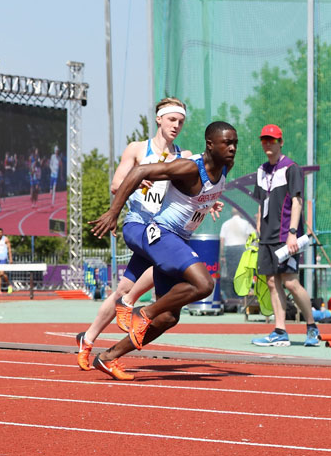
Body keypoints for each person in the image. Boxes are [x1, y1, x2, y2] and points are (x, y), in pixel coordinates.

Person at [89, 121, 236, 381]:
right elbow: (139, 172)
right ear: (210, 145)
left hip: (179, 241)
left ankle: (108, 357)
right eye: (227, 143)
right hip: (162, 235)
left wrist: (208, 205)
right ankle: (143, 312)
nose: (233, 148)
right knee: (204, 284)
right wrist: (113, 212)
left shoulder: (225, 167)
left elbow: (202, 198)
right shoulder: (189, 168)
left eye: (235, 142)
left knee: (168, 317)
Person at [75, 98, 192, 371]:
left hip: (163, 229)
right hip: (140, 224)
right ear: (159, 119)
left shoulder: (183, 156)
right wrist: (138, 178)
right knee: (159, 264)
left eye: (181, 122)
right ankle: (128, 305)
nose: (176, 125)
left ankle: (88, 339)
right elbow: (117, 184)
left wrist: (209, 201)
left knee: (122, 288)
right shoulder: (138, 149)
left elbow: (194, 189)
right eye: (172, 119)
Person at [250, 124, 319, 347]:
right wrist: (258, 227)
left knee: (290, 282)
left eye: (272, 139)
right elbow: (262, 203)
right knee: (271, 282)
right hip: (267, 237)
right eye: (264, 140)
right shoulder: (261, 171)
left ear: (281, 142)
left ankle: (312, 327)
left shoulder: (292, 168)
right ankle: (280, 331)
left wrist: (292, 233)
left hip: (285, 234)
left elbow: (297, 201)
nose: (268, 143)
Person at [218, 211, 255, 306]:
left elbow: (222, 241)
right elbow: (250, 238)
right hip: (242, 249)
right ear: (241, 214)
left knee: (231, 275)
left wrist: (222, 255)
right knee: (242, 274)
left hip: (230, 250)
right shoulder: (245, 223)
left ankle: (232, 300)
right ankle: (242, 299)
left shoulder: (225, 224)